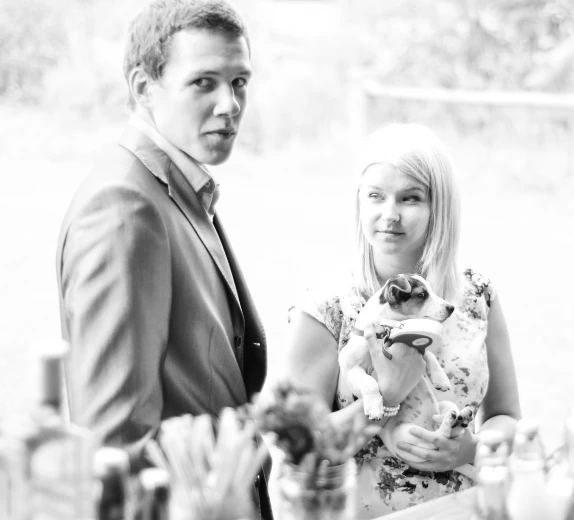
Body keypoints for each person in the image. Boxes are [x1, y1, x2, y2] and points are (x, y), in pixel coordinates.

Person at [55, 0, 272, 517]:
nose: (230, 104)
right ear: (143, 88)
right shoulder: (124, 209)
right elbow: (117, 447)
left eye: (239, 82)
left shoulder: (181, 187)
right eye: (205, 82)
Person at [284, 122, 522, 517]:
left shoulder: (477, 296)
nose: (389, 215)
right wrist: (386, 398)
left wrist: (472, 448)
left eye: (410, 198)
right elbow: (298, 448)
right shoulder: (325, 309)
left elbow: (506, 416)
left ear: (439, 207)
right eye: (375, 196)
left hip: (468, 510)